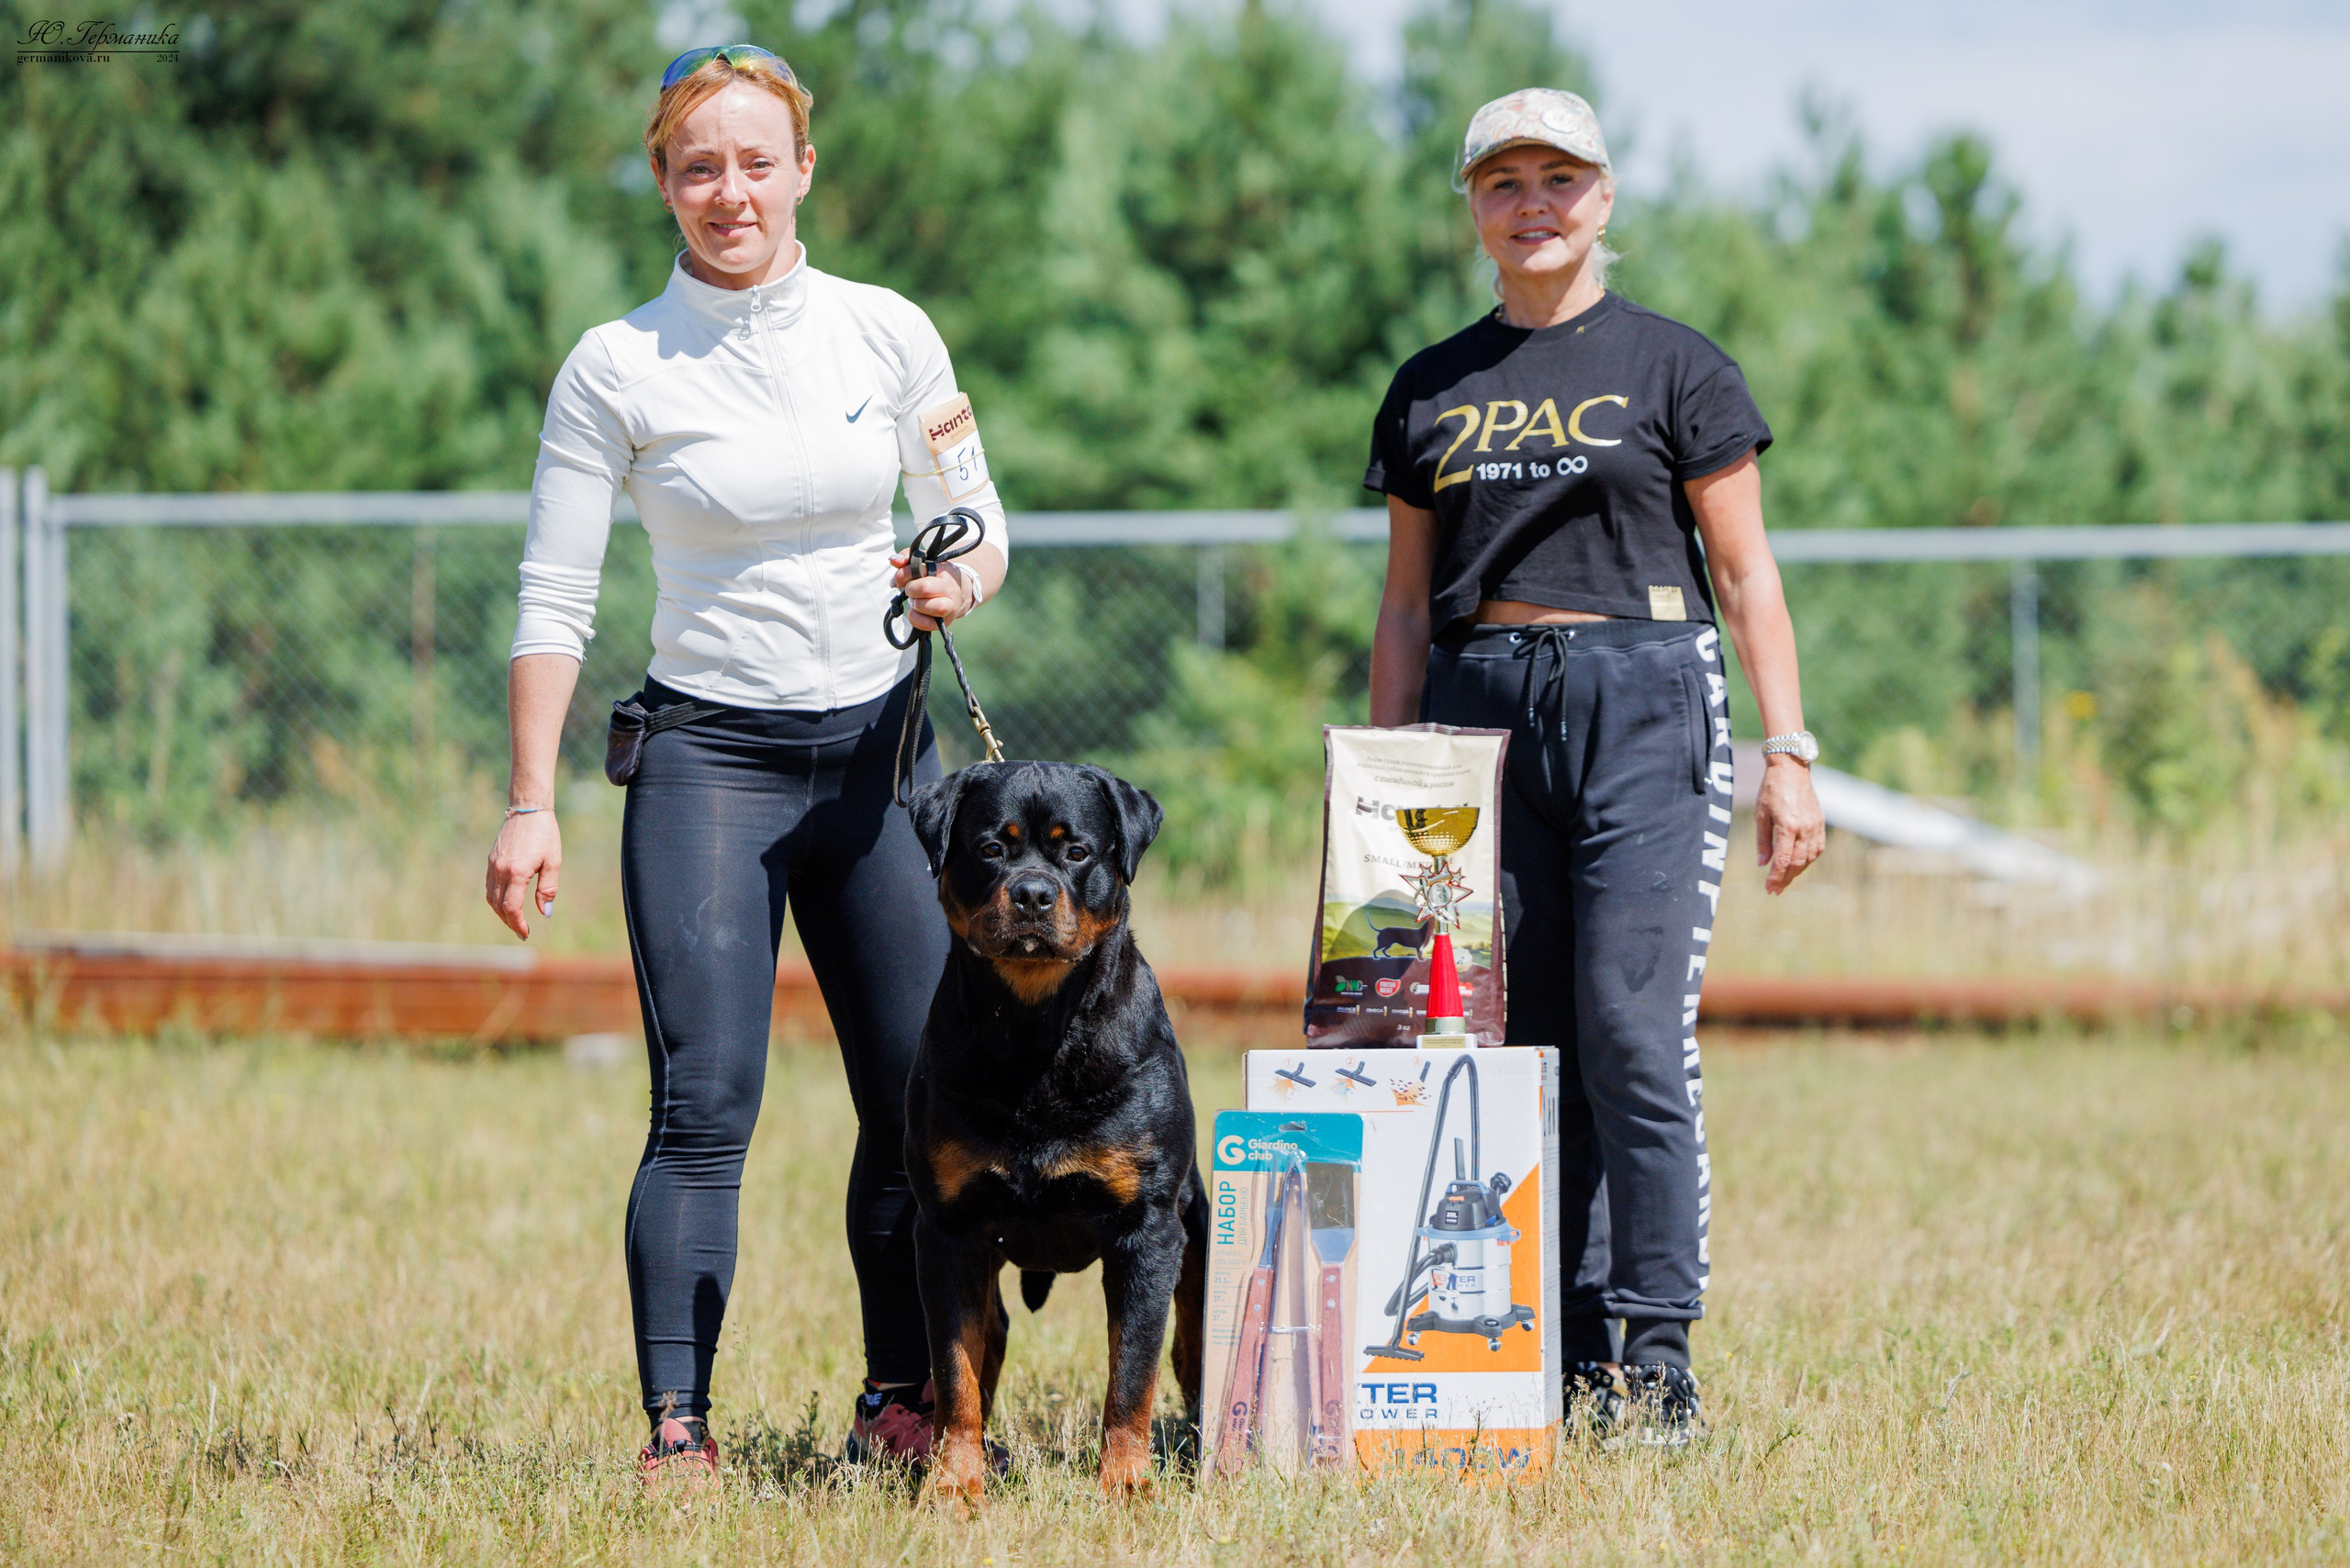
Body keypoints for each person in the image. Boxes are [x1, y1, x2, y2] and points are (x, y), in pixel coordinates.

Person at [482, 43, 1008, 1494]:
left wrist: (961, 578)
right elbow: (553, 596)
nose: (731, 192)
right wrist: (531, 804)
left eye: (756, 160)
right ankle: (679, 1434)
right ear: (662, 179)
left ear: (803, 171)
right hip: (710, 764)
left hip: (877, 764)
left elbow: (976, 517)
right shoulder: (617, 365)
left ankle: (902, 1399)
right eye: (699, 165)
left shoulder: (886, 332)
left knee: (917, 1102)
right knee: (705, 1105)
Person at [1364, 88, 1826, 1445]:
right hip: (1477, 711)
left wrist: (1788, 755)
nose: (1533, 203)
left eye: (1559, 178)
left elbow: (1744, 573)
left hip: (1645, 698)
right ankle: (1549, 1348)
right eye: (1503, 182)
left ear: (1604, 197)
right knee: (1509, 1041)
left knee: (1632, 1031)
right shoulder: (1429, 385)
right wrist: (1386, 786)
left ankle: (1658, 1349)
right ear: (1474, 210)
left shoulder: (1677, 366)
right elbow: (1403, 604)